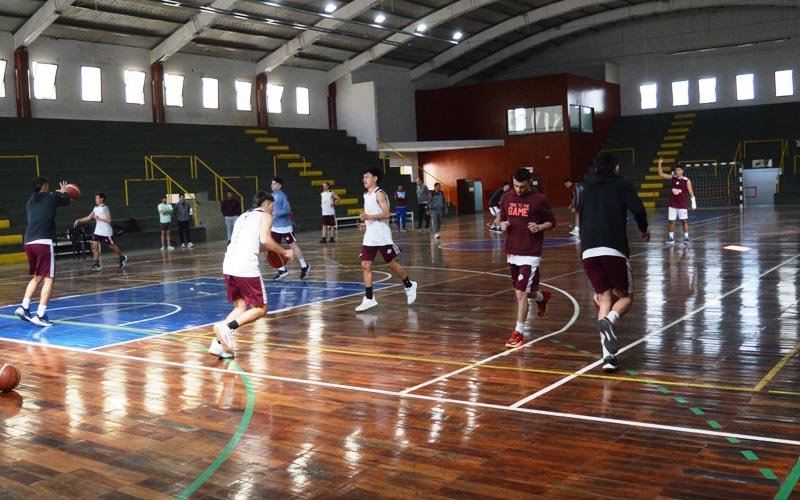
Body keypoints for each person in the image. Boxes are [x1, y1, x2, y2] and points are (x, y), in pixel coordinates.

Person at [579, 153, 650, 372]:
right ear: (617, 168)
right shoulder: (622, 184)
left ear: (597, 169)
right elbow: (638, 208)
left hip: (588, 249)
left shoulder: (586, 188)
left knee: (604, 298)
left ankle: (608, 357)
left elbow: (581, 216)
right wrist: (644, 229)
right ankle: (610, 320)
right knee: (626, 297)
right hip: (614, 248)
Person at [210, 191, 295, 358]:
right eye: (273, 207)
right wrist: (284, 252)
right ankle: (227, 328)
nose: (273, 210)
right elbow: (265, 239)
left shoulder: (243, 216)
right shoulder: (265, 215)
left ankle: (219, 344)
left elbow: (257, 244)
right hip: (245, 266)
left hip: (228, 263)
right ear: (268, 205)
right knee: (261, 308)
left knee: (240, 307)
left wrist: (272, 250)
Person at [499, 168, 555, 349]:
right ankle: (541, 297)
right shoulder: (506, 197)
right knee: (523, 291)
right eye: (516, 186)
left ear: (529, 183)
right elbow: (501, 217)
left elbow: (552, 222)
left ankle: (518, 333)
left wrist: (540, 227)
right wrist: (502, 224)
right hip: (512, 250)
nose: (518, 190)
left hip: (530, 252)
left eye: (522, 187)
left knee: (521, 293)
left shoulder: (539, 200)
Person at [355, 167, 418, 312]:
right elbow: (372, 213)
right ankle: (369, 298)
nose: (364, 179)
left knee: (391, 264)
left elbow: (386, 214)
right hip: (370, 236)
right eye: (363, 177)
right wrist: (365, 224)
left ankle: (409, 284)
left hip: (382, 235)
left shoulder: (380, 194)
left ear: (375, 178)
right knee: (365, 265)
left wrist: (368, 217)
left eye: (367, 176)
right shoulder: (366, 195)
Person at [14, 176, 71, 327]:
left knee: (37, 276)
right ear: (45, 186)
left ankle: (24, 307)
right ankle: (40, 315)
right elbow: (67, 200)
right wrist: (64, 192)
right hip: (43, 241)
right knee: (49, 278)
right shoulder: (51, 198)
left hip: (29, 241)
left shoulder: (30, 202)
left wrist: (57, 195)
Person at [73, 192, 128, 271]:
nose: (96, 199)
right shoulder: (95, 208)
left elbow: (109, 220)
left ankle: (122, 257)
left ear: (102, 199)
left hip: (106, 231)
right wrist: (79, 220)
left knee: (111, 246)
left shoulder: (105, 208)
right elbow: (88, 217)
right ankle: (96, 264)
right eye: (95, 198)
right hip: (98, 231)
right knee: (94, 247)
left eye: (97, 198)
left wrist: (100, 218)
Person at [270, 177, 311, 280]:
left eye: (274, 184)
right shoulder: (271, 196)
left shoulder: (282, 196)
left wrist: (276, 213)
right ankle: (281, 269)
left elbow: (287, 210)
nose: (272, 185)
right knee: (272, 247)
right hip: (275, 227)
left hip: (285, 226)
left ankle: (304, 265)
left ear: (279, 185)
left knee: (293, 246)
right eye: (272, 184)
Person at [657, 158, 696, 244]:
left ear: (682, 171)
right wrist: (659, 163)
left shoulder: (686, 180)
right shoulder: (673, 178)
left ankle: (686, 238)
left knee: (684, 221)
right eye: (676, 170)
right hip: (672, 205)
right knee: (671, 221)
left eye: (678, 170)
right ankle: (671, 239)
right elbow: (661, 174)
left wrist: (693, 203)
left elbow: (691, 192)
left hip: (682, 205)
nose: (676, 171)